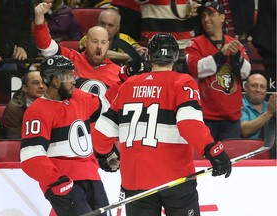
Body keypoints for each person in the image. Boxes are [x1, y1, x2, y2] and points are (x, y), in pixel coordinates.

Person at [91, 33, 232, 216]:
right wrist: (213, 150)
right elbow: (189, 124)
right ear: (175, 56)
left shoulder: (127, 86)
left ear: (149, 56)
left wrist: (105, 154)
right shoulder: (182, 82)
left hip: (135, 181)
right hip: (175, 179)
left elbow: (101, 132)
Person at [20, 55, 114, 216]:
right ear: (56, 81)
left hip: (91, 177)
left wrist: (125, 79)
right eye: (69, 76)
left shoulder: (79, 98)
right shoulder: (37, 112)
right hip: (65, 180)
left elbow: (108, 104)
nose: (74, 80)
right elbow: (31, 158)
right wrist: (56, 181)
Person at [33, 2, 122, 109]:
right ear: (86, 42)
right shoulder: (70, 59)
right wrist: (39, 20)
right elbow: (46, 47)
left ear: (108, 45)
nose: (99, 46)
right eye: (94, 41)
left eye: (103, 42)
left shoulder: (118, 73)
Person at [184, 1, 251, 141]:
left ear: (222, 18)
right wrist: (222, 54)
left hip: (232, 119)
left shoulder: (234, 44)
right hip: (205, 118)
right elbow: (196, 68)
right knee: (205, 161)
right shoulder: (194, 43)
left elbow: (246, 72)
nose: (206, 19)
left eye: (211, 15)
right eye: (203, 16)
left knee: (231, 161)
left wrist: (235, 55)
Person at [79, 8, 147, 62]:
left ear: (117, 28)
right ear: (97, 24)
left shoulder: (124, 38)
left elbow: (141, 52)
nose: (106, 28)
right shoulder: (88, 38)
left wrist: (140, 52)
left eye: (110, 25)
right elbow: (100, 53)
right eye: (102, 24)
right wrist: (129, 56)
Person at [0, 0, 39, 69]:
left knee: (11, 72)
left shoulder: (27, 2)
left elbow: (25, 27)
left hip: (7, 56)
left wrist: (22, 46)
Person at [2, 71, 47, 139]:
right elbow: (15, 138)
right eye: (36, 83)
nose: (41, 86)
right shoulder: (14, 108)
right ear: (24, 88)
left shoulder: (53, 103)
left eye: (44, 83)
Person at [241, 73, 276, 139]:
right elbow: (245, 131)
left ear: (266, 90)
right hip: (248, 147)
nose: (258, 90)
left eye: (262, 87)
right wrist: (269, 113)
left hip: (270, 147)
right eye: (254, 86)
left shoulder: (271, 105)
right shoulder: (239, 105)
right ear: (245, 87)